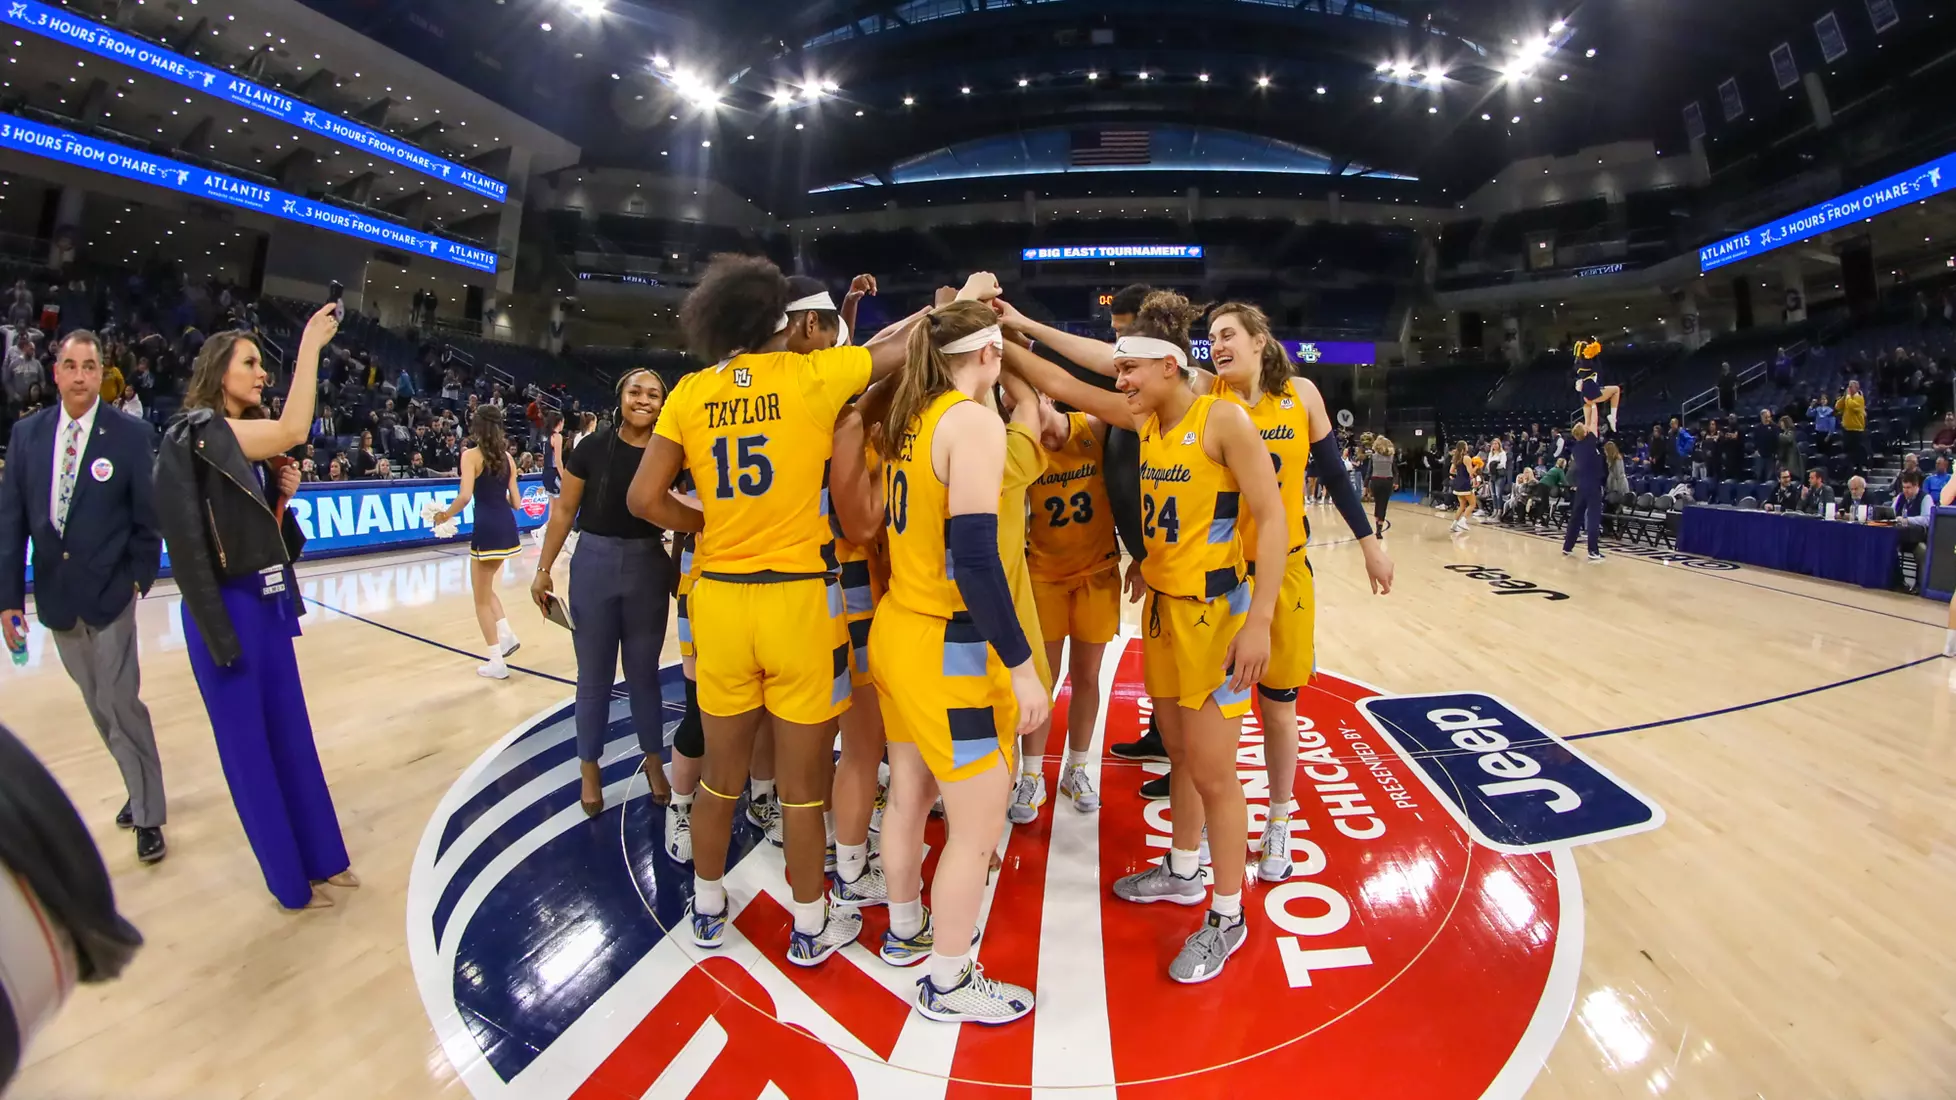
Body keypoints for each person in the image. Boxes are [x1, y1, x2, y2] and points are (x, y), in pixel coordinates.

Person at [622, 254, 924, 970]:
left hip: (722, 601)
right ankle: (811, 925)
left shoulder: (691, 391)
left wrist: (705, 523)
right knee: (803, 787)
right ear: (785, 323)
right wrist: (959, 300)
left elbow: (643, 499)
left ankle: (706, 909)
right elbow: (899, 347)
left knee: (720, 777)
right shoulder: (811, 377)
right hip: (798, 600)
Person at [999, 290, 1290, 983]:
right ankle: (1184, 870)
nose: (1120, 380)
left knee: (1215, 774)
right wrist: (1002, 332)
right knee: (1181, 757)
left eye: (1129, 370)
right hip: (1162, 609)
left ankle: (1227, 915)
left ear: (1166, 365)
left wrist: (1259, 622)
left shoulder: (1223, 418)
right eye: (1120, 372)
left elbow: (1273, 519)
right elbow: (1062, 379)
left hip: (1216, 618)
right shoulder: (1146, 417)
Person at [844, 299, 1049, 1021]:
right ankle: (950, 982)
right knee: (979, 818)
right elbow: (976, 561)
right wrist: (1021, 665)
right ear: (991, 354)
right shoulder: (972, 422)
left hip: (898, 626)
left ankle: (906, 930)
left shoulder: (913, 415)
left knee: (908, 793)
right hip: (946, 644)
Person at [152, 306, 358, 911]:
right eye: (251, 363)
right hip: (225, 612)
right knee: (251, 757)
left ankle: (323, 860)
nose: (262, 373)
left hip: (266, 607)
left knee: (293, 738)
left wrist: (281, 502)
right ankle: (289, 885)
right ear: (220, 372)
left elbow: (265, 542)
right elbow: (191, 554)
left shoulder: (243, 447)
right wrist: (309, 345)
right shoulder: (197, 431)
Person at [0, 331, 166, 863]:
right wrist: (8, 599)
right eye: (70, 366)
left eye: (89, 367)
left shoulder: (130, 434)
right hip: (57, 598)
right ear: (55, 373)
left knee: (121, 701)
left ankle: (149, 814)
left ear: (102, 374)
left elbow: (148, 518)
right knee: (98, 706)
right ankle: (135, 785)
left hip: (112, 593)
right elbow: (11, 524)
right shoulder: (27, 435)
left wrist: (138, 578)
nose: (79, 376)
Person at [529, 369, 674, 823]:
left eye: (653, 394)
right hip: (593, 563)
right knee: (593, 677)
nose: (644, 400)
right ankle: (589, 769)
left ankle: (654, 760)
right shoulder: (592, 447)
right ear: (620, 397)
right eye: (636, 391)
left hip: (649, 565)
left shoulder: (672, 452)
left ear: (663, 404)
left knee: (644, 675)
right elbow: (564, 510)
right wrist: (543, 569)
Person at [428, 406, 523, 678]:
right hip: (508, 529)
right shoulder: (508, 458)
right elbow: (517, 502)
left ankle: (497, 662)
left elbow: (465, 496)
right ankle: (506, 634)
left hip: (487, 529)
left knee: (480, 599)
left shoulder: (470, 456)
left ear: (477, 426)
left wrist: (445, 515)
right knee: (486, 587)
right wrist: (498, 496)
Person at [1562, 423, 1605, 562]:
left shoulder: (1576, 448)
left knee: (1576, 517)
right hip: (1593, 484)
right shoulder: (1590, 443)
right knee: (1593, 518)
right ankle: (1593, 550)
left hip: (1581, 485)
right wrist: (1592, 409)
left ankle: (1567, 546)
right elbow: (1593, 421)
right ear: (1585, 433)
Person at [1573, 338, 1620, 432]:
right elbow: (1597, 365)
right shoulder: (1587, 361)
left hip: (1584, 393)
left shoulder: (1577, 362)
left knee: (1587, 424)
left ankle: (1586, 439)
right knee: (1616, 390)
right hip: (1591, 389)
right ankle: (1613, 417)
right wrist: (1595, 349)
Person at [533, 409, 564, 543]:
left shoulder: (545, 436)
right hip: (554, 473)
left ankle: (548, 535)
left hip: (546, 473)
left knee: (552, 507)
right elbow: (558, 460)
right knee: (560, 507)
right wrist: (564, 477)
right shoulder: (557, 437)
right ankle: (542, 532)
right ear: (559, 422)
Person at [1368, 436, 1398, 535]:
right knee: (1383, 504)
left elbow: (1369, 472)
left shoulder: (1373, 457)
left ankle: (1377, 525)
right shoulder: (1391, 457)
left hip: (1375, 481)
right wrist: (1396, 482)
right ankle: (1379, 530)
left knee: (1377, 503)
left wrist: (1365, 485)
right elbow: (1395, 472)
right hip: (1387, 481)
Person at [1835, 380, 1866, 473]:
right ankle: (1848, 470)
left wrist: (1848, 396)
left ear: (1856, 388)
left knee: (1856, 452)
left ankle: (1859, 470)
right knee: (1847, 452)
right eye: (1848, 386)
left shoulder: (1859, 398)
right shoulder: (1847, 398)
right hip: (1847, 430)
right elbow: (1837, 406)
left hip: (1856, 430)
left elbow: (1852, 406)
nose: (1848, 389)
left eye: (1851, 387)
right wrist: (1844, 397)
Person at [1447, 441, 1478, 534]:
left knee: (1462, 505)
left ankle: (1454, 525)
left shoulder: (1455, 458)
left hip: (1457, 483)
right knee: (1472, 504)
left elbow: (1451, 471)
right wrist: (1477, 466)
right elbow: (1471, 472)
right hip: (1465, 484)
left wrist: (1460, 473)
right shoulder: (1466, 458)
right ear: (1464, 447)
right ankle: (1462, 521)